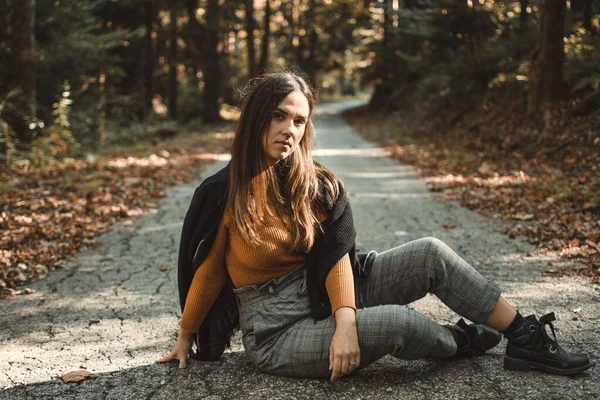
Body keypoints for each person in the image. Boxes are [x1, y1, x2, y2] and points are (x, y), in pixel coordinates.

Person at [159, 71, 591, 381]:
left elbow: (334, 259)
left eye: (299, 120)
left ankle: (524, 337)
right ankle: (456, 342)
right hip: (277, 332)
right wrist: (186, 336)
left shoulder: (316, 184)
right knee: (398, 324)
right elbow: (211, 269)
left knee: (429, 253)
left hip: (322, 291)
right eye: (278, 116)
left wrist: (345, 325)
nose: (289, 129)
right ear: (255, 119)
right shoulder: (222, 193)